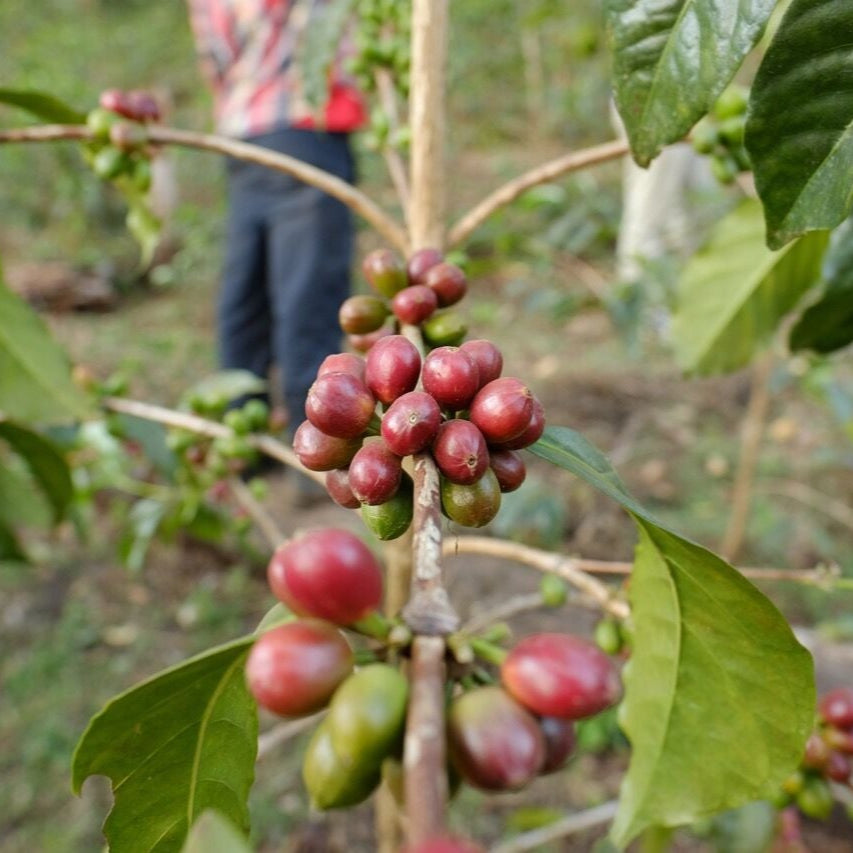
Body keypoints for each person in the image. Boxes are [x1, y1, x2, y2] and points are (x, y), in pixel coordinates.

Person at [186, 1, 366, 470]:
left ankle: (240, 440)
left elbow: (217, 59)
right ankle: (317, 452)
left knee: (246, 297)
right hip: (311, 132)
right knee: (308, 299)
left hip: (245, 138)